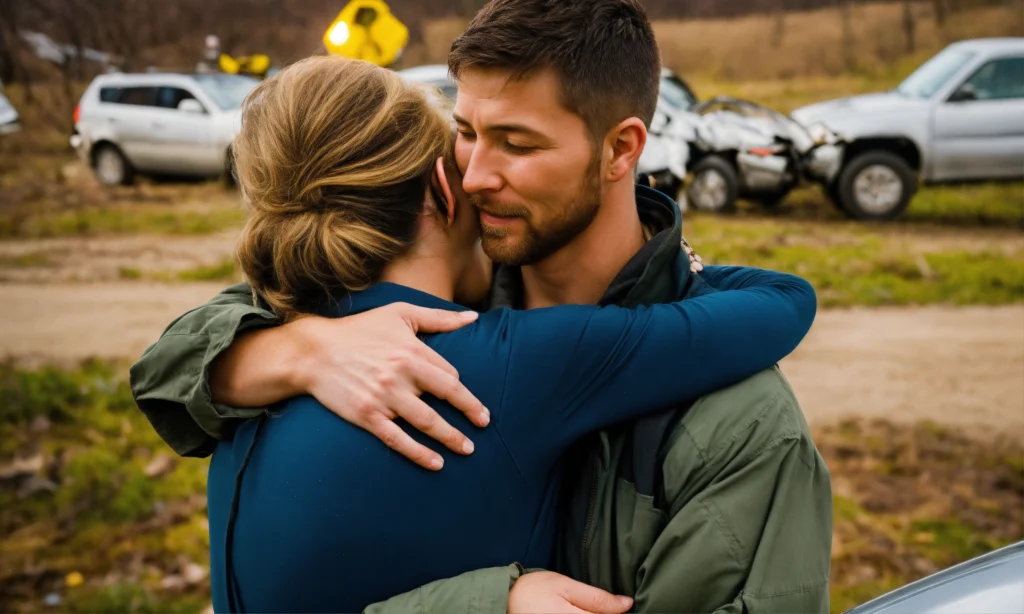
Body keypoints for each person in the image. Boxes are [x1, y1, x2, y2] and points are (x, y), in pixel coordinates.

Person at [131, 1, 834, 612]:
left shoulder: (744, 430)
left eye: (516, 143)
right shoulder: (347, 325)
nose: (474, 174)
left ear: (621, 149)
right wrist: (296, 351)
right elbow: (168, 362)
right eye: (465, 132)